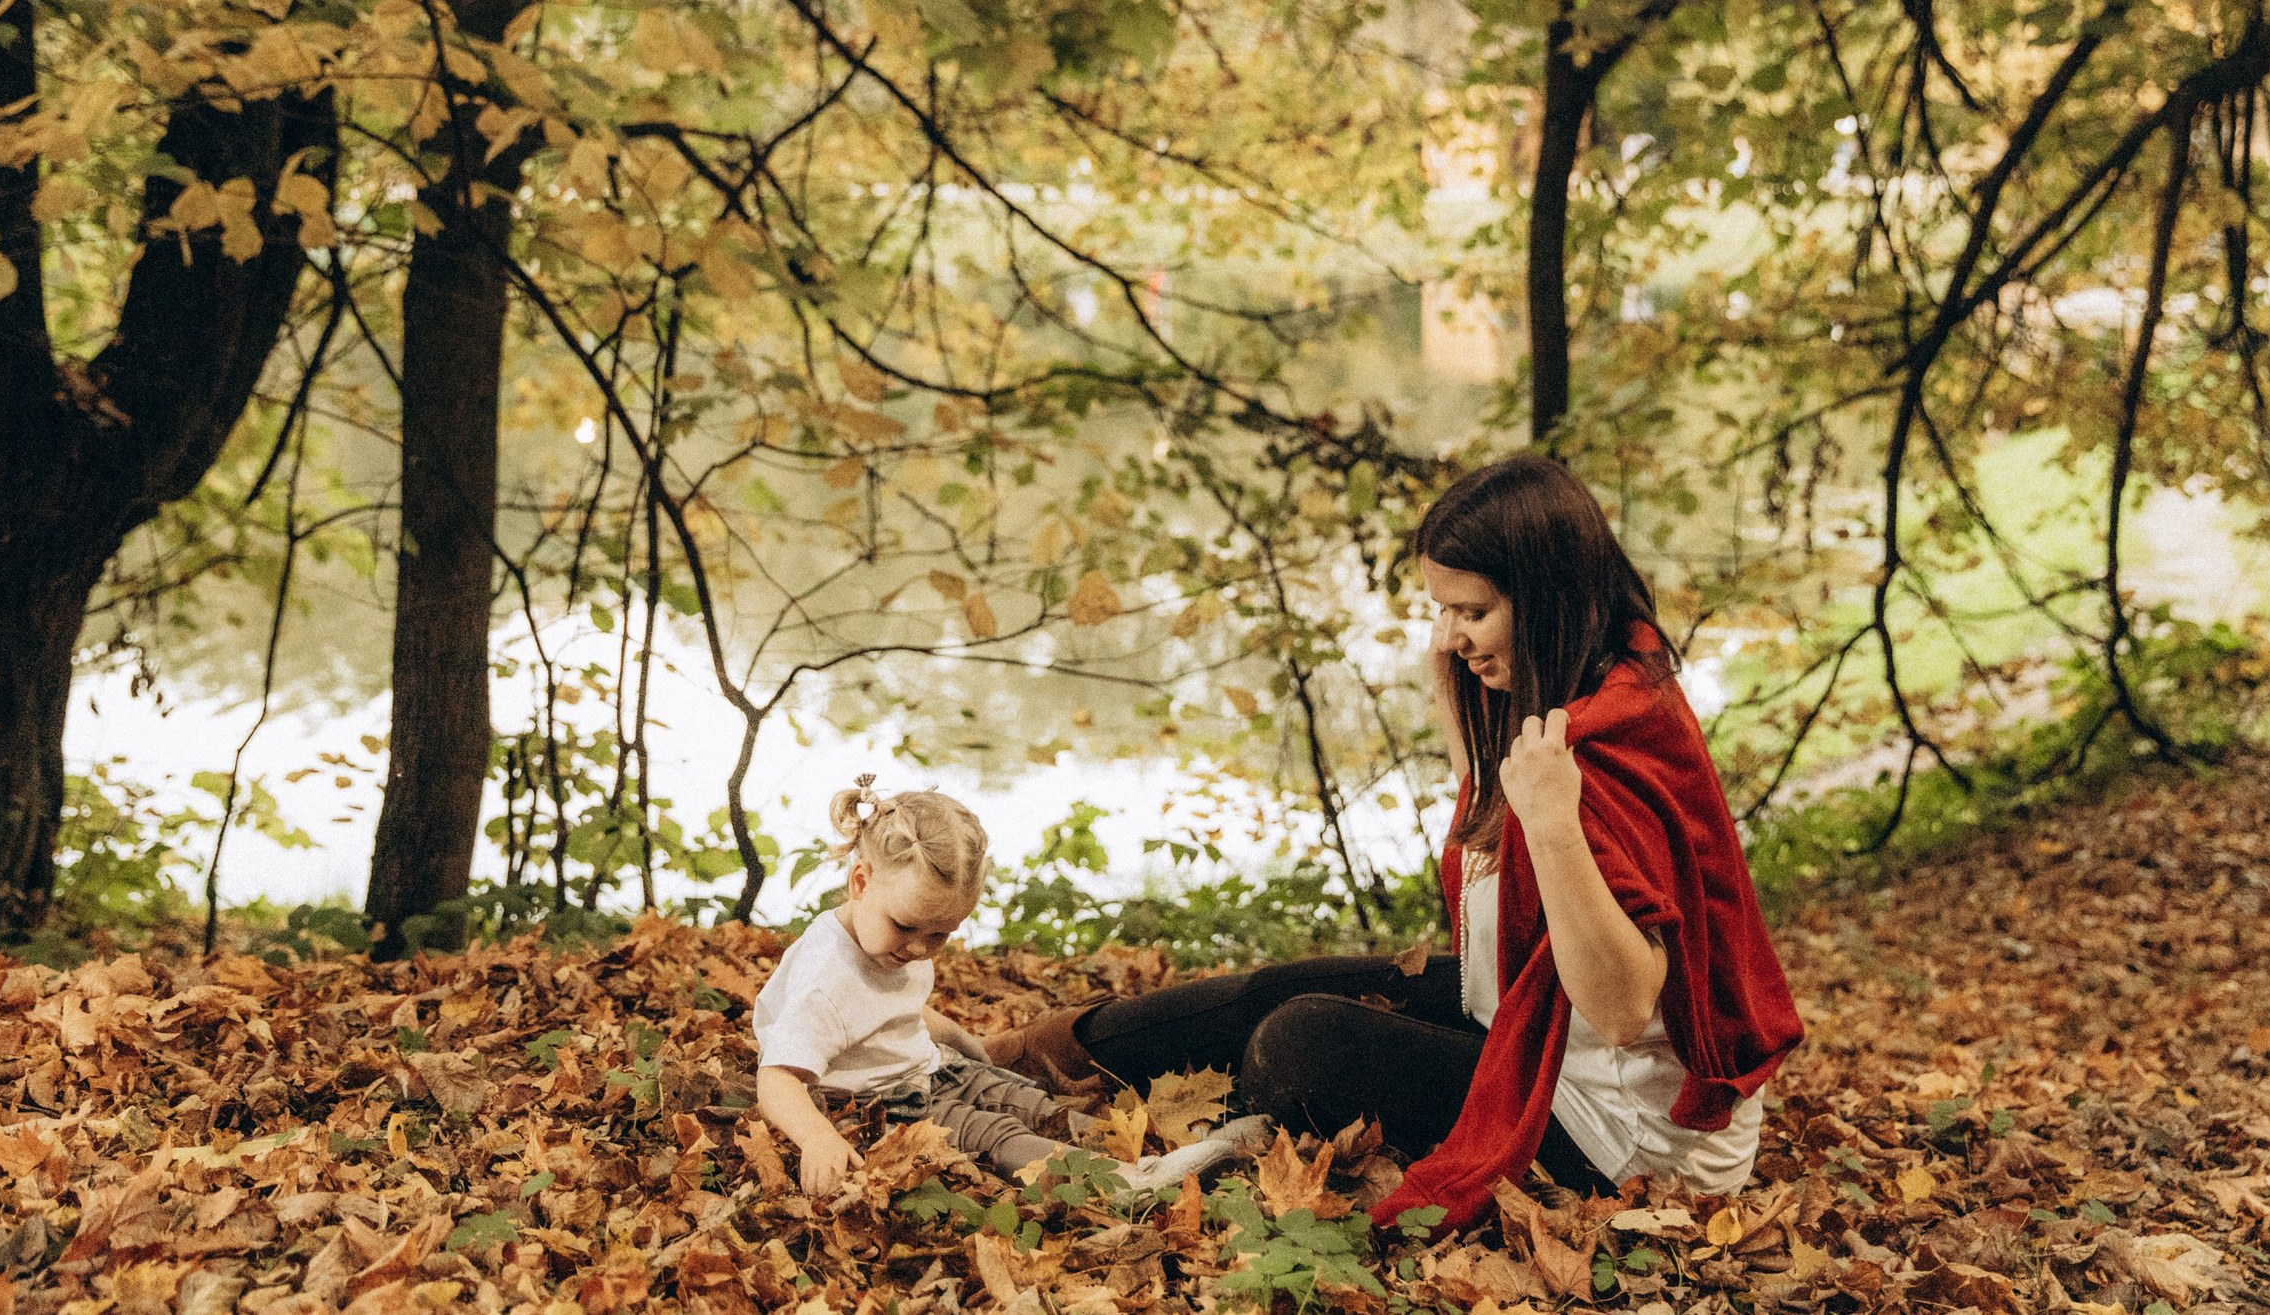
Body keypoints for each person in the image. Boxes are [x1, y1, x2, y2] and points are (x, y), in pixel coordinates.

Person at [981, 454, 1803, 1234]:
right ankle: (1020, 1056)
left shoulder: (1599, 748)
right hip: (1530, 1015)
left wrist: (1554, 826)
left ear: (1549, 600)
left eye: (1472, 612)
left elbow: (1623, 1007)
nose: (1449, 637)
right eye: (1440, 611)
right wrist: (1464, 705)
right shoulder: (1585, 683)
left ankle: (1113, 1112)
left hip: (1623, 1129)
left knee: (1298, 1044)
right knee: (1274, 986)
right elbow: (1488, 842)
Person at [753, 776, 1271, 1198]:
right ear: (861, 882)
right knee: (999, 1138)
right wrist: (817, 1137)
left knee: (1032, 1102)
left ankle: (1171, 1143)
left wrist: (966, 1045)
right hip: (883, 1102)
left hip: (933, 1069)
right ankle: (1127, 1183)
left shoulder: (885, 937)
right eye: (907, 928)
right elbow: (776, 1078)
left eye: (940, 935)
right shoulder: (824, 978)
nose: (917, 949)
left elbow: (896, 1011)